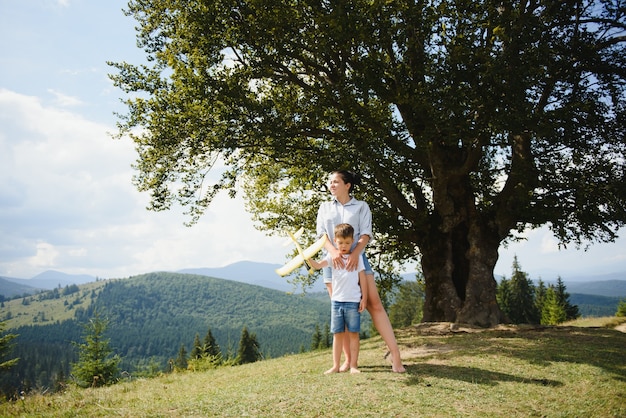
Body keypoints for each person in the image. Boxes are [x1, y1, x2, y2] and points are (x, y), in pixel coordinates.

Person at [316, 170, 406, 373]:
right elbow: (321, 235)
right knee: (342, 309)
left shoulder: (361, 207)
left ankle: (396, 358)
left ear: (347, 185)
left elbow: (366, 234)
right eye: (330, 182)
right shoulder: (324, 208)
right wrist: (333, 253)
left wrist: (355, 253)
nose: (331, 185)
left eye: (336, 181)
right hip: (334, 263)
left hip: (358, 259)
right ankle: (348, 362)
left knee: (375, 305)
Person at [307, 223, 368, 374]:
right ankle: (335, 366)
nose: (344, 246)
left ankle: (353, 365)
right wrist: (307, 259)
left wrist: (364, 298)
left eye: (347, 242)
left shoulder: (357, 258)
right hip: (336, 302)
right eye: (340, 243)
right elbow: (317, 265)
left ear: (353, 241)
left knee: (353, 333)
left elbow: (363, 279)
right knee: (337, 334)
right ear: (335, 241)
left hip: (353, 301)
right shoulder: (331, 257)